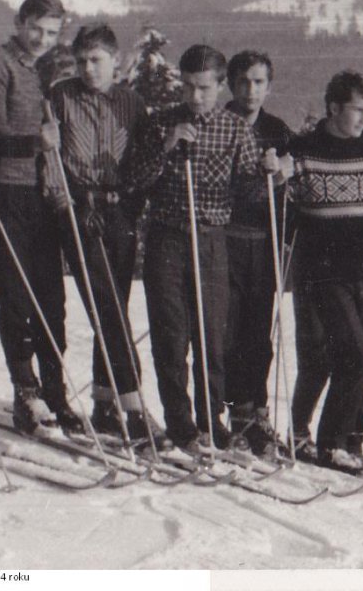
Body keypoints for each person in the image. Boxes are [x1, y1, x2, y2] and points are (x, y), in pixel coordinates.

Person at [124, 44, 260, 452]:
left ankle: (211, 420)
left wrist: (272, 172)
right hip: (167, 236)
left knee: (211, 335)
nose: (193, 97)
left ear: (220, 87)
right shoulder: (161, 123)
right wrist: (166, 147)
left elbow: (251, 188)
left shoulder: (235, 128)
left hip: (212, 239)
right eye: (186, 87)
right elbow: (134, 178)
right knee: (171, 334)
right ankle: (181, 425)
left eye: (203, 88)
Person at [46, 24, 168, 447]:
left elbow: (144, 157)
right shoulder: (62, 96)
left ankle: (103, 402)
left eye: (96, 60)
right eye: (81, 61)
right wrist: (69, 206)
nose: (88, 69)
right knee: (108, 307)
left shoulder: (131, 102)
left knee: (112, 305)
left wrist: (133, 201)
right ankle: (133, 406)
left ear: (115, 61)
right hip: (80, 209)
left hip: (120, 212)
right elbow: (52, 158)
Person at [0, 0, 83, 435]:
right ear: (20, 23)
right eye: (36, 28)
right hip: (5, 191)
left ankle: (55, 392)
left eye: (52, 33)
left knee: (51, 301)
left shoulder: (44, 69)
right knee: (16, 297)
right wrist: (37, 142)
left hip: (42, 196)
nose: (42, 39)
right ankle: (27, 393)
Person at [283, 71, 363, 477]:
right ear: (334, 108)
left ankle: (349, 442)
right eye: (359, 111)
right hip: (321, 270)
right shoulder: (302, 151)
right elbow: (281, 207)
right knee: (351, 356)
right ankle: (328, 442)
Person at [222, 50, 294, 456]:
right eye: (245, 81)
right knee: (228, 334)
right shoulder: (220, 124)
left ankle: (258, 413)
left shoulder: (277, 130)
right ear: (232, 84)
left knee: (257, 336)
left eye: (260, 82)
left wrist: (284, 169)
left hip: (262, 243)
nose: (252, 90)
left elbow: (295, 170)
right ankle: (235, 413)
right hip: (226, 240)